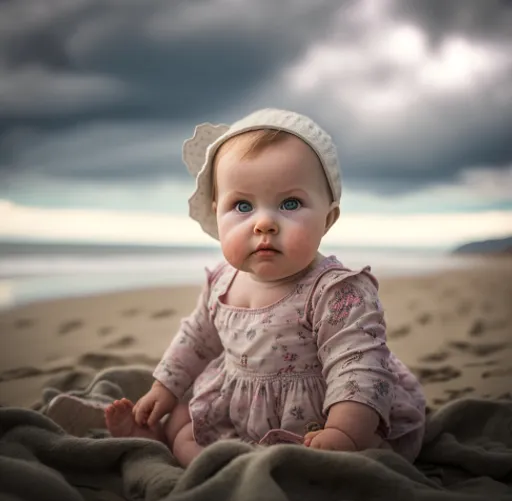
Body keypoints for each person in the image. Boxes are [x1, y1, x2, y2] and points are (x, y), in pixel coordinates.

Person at [105, 108, 426, 468]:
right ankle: (168, 443)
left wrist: (344, 432)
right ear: (216, 213)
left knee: (347, 445)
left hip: (316, 416)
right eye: (242, 205)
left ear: (328, 218)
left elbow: (357, 365)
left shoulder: (336, 291)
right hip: (235, 403)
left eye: (290, 203)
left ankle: (226, 462)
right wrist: (163, 388)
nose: (264, 224)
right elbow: (196, 339)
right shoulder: (221, 282)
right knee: (182, 416)